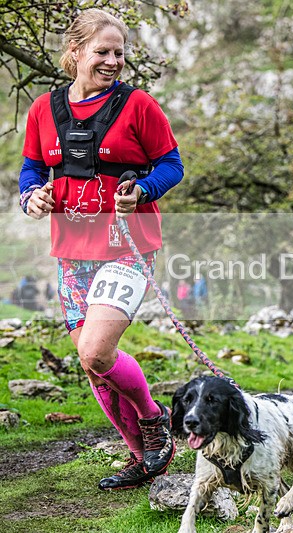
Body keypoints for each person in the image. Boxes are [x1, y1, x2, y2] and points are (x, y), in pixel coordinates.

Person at [19, 9, 183, 490]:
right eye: (103, 52)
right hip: (71, 250)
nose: (113, 61)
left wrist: (144, 190)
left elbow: (171, 165)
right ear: (75, 53)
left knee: (95, 350)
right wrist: (33, 195)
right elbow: (31, 169)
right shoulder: (43, 110)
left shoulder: (138, 106)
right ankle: (142, 458)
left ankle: (155, 423)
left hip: (126, 245)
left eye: (119, 52)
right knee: (95, 369)